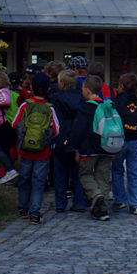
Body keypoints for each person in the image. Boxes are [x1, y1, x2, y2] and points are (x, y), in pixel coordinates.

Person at [11, 72, 60, 224]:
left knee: (25, 179)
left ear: (31, 87)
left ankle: (23, 208)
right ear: (48, 90)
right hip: (42, 153)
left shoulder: (26, 105)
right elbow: (56, 130)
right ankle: (35, 212)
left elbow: (14, 124)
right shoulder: (49, 109)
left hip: (25, 150)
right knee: (38, 182)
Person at [72, 75, 114, 221]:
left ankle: (96, 195)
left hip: (88, 149)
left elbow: (79, 130)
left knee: (85, 175)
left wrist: (75, 148)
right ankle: (102, 211)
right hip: (107, 148)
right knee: (103, 176)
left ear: (88, 91)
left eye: (83, 89)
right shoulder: (107, 106)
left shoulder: (85, 108)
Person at [111, 72, 137, 215]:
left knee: (117, 170)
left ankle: (119, 200)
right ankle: (134, 203)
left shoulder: (115, 103)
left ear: (121, 86)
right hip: (134, 142)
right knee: (133, 172)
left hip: (118, 141)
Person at [47, 69, 88, 213]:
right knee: (78, 175)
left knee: (60, 174)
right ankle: (79, 202)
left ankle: (60, 202)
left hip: (60, 139)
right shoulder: (82, 99)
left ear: (62, 84)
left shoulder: (55, 99)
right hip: (78, 140)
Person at [0, 71, 19, 184]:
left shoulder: (2, 92)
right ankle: (8, 172)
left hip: (3, 125)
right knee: (5, 150)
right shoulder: (9, 91)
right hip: (9, 126)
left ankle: (10, 171)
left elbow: (5, 101)